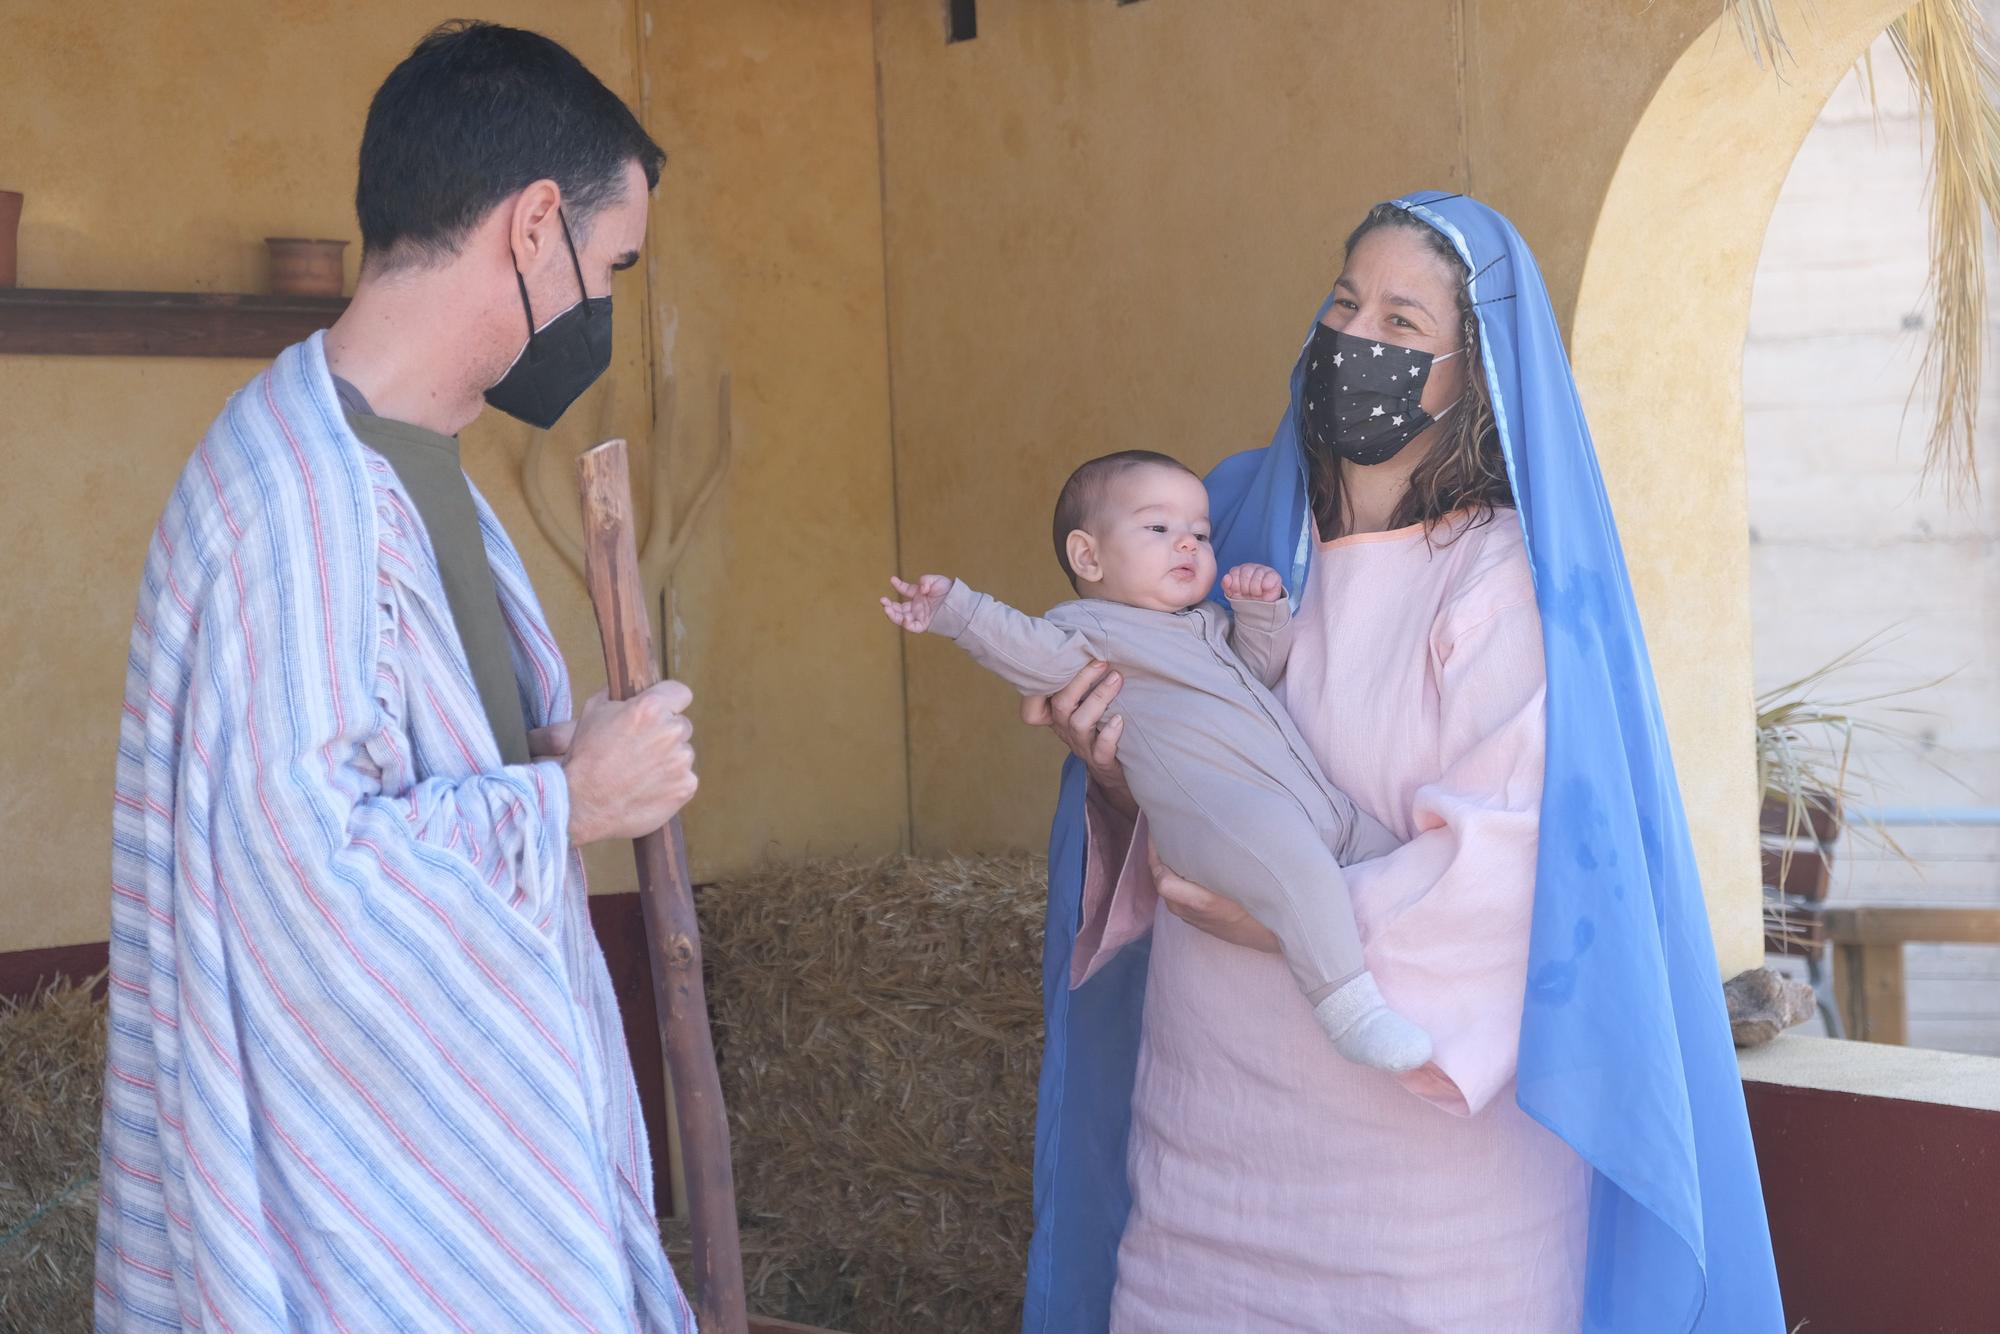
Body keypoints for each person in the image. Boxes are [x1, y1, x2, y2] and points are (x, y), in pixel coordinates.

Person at [1019, 194, 1787, 1332]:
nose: (1355, 338)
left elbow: (1518, 859)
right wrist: (1117, 773)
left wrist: (1284, 915)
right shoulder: (1221, 530)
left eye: (1400, 320)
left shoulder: (1502, 582)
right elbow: (1170, 785)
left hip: (1423, 1197)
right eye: (1342, 302)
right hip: (1208, 1142)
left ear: (1468, 373)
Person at [97, 23, 699, 1331]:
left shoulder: (408, 462)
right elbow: (303, 880)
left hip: (459, 1164)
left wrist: (549, 759)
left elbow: (402, 774)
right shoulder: (301, 497)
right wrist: (575, 804)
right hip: (370, 1238)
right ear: (536, 224)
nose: (606, 304)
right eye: (613, 263)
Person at [881, 450, 1430, 1071]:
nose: (1189, 545)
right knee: (1294, 864)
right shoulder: (1090, 632)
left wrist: (1259, 613)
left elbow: (1258, 673)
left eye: (1201, 533)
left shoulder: (1204, 625)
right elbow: (1024, 649)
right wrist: (955, 608)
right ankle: (1351, 1010)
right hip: (1222, 816)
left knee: (1401, 859)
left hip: (1313, 802)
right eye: (1159, 529)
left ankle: (1441, 979)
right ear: (1089, 557)